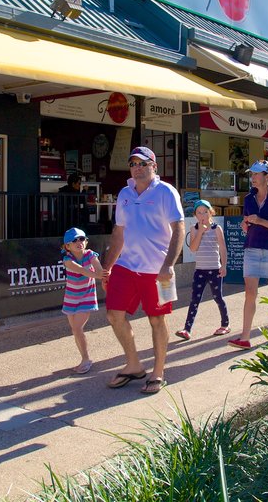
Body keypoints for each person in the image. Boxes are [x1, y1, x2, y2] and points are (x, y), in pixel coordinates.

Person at [101, 146, 184, 395]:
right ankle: (134, 365)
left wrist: (169, 264)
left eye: (142, 163)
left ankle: (158, 371)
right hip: (126, 267)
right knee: (114, 315)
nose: (137, 167)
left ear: (153, 166)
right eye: (133, 163)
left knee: (156, 319)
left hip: (156, 270)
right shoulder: (125, 193)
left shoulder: (165, 192)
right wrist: (108, 267)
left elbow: (178, 229)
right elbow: (119, 233)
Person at [228, 160, 268, 350]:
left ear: (267, 176)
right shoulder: (248, 198)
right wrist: (245, 225)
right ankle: (245, 337)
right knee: (250, 293)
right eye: (252, 174)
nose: (252, 177)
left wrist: (261, 221)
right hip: (252, 249)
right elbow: (247, 222)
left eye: (256, 174)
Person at [175, 200, 229, 341]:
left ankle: (225, 324)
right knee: (195, 299)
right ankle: (187, 329)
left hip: (214, 269)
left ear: (211, 212)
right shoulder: (194, 228)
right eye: (199, 212)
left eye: (205, 211)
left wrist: (224, 265)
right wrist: (200, 232)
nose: (202, 214)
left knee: (218, 297)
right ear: (195, 215)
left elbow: (222, 248)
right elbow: (193, 248)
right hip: (200, 270)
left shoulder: (217, 228)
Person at [60, 227, 106, 375]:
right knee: (75, 330)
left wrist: (100, 274)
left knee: (78, 328)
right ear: (67, 246)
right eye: (74, 240)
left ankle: (86, 360)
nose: (79, 242)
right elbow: (81, 270)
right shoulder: (67, 259)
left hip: (86, 297)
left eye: (82, 239)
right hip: (71, 298)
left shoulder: (91, 254)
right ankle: (84, 359)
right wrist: (98, 275)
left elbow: (99, 269)